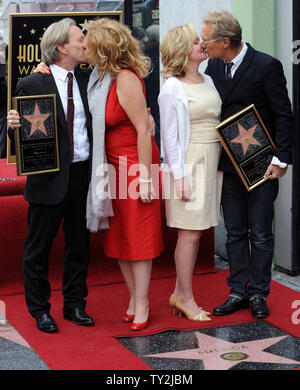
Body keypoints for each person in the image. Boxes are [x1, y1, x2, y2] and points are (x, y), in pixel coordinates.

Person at [200, 11, 294, 318]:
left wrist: (281, 159)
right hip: (227, 166)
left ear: (225, 42)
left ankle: (258, 294)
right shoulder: (212, 65)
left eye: (207, 40)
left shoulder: (267, 65)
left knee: (261, 232)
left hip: (262, 166)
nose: (203, 45)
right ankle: (238, 291)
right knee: (235, 231)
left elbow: (284, 115)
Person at [7, 18, 95, 333]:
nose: (85, 42)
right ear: (61, 47)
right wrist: (13, 126)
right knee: (38, 248)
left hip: (83, 174)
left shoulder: (90, 79)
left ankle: (74, 304)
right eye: (79, 39)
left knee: (79, 245)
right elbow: (22, 139)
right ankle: (40, 309)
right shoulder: (32, 83)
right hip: (47, 178)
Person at [84, 18, 163, 331]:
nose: (85, 46)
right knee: (117, 235)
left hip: (135, 163)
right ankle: (133, 298)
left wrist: (145, 178)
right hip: (110, 164)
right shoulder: (99, 77)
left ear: (102, 47)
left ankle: (143, 302)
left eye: (89, 41)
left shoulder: (126, 78)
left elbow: (143, 129)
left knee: (138, 234)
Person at [159, 23, 223, 321]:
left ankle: (178, 293)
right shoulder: (172, 86)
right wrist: (180, 177)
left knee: (197, 232)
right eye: (195, 41)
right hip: (189, 162)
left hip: (212, 161)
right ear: (182, 50)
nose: (202, 44)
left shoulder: (208, 78)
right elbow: (169, 138)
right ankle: (185, 297)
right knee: (190, 235)